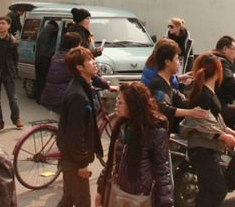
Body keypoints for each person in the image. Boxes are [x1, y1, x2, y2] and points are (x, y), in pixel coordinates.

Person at [97, 82, 173, 207]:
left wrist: (165, 202)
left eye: (120, 102)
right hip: (117, 193)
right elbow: (111, 162)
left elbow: (162, 170)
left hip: (138, 198)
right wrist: (101, 189)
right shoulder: (121, 127)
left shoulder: (155, 131)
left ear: (133, 104)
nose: (116, 105)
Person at [182, 52, 235, 207]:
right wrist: (223, 136)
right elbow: (204, 125)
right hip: (202, 150)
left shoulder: (206, 92)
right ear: (218, 70)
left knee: (206, 190)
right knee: (218, 190)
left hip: (204, 150)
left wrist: (228, 132)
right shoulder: (204, 95)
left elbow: (213, 120)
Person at [56, 47, 104, 207]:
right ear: (79, 67)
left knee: (68, 200)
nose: (94, 62)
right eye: (89, 60)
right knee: (82, 202)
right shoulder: (77, 94)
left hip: (71, 159)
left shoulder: (82, 87)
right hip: (74, 161)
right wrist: (82, 163)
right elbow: (75, 134)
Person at [41, 33, 114, 112]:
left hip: (49, 97)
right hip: (63, 99)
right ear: (76, 45)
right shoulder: (73, 59)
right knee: (94, 105)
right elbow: (92, 76)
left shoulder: (56, 56)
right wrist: (107, 86)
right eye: (80, 44)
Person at [148, 41, 207, 131]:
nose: (179, 63)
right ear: (167, 62)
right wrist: (190, 113)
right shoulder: (157, 83)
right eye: (176, 59)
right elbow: (162, 108)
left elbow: (182, 102)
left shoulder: (167, 82)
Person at [33, 18, 59, 104]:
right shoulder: (52, 29)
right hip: (45, 57)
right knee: (44, 79)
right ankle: (41, 98)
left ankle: (38, 97)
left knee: (39, 78)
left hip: (39, 56)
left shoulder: (44, 30)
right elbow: (59, 32)